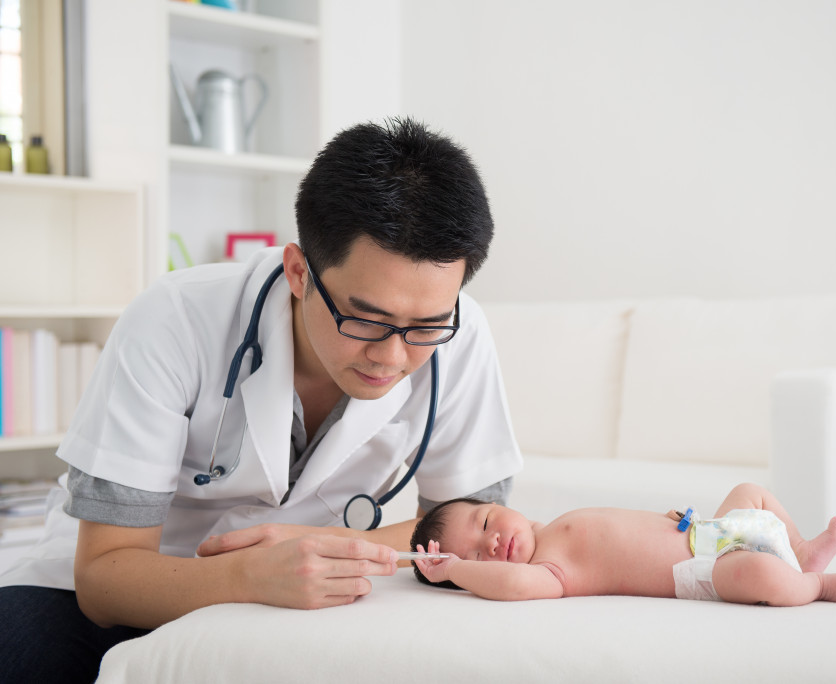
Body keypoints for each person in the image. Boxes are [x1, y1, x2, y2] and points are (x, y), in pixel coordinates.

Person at [0, 118, 521, 682]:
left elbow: (469, 533)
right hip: (139, 582)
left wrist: (323, 547)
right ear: (298, 272)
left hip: (303, 593)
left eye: (426, 325)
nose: (393, 357)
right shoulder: (173, 320)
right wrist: (247, 577)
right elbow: (104, 579)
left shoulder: (460, 335)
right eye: (366, 319)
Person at [412, 483, 836, 606]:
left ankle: (802, 547)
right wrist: (453, 570)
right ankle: (815, 584)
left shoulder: (553, 525)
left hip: (708, 530)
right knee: (762, 575)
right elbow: (511, 584)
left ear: (501, 504)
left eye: (486, 520)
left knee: (752, 492)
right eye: (476, 556)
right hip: (705, 572)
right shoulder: (551, 571)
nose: (491, 544)